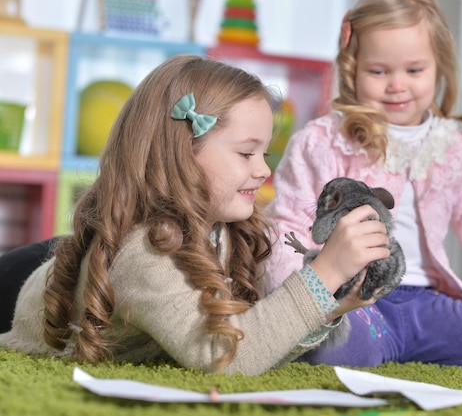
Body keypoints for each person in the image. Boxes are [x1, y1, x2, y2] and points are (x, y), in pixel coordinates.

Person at [0, 54, 392, 375]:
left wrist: (332, 304)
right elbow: (223, 355)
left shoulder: (226, 232)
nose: (264, 171)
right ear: (182, 153)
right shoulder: (145, 253)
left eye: (265, 154)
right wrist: (325, 273)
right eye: (245, 153)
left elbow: (256, 339)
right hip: (21, 285)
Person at [265, 0, 462, 373]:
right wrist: (296, 304)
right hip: (352, 298)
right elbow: (286, 227)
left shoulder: (458, 150)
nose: (397, 85)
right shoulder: (321, 141)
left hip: (427, 304)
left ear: (439, 67)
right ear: (353, 70)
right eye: (378, 71)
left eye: (414, 70)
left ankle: (425, 343)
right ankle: (370, 345)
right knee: (331, 351)